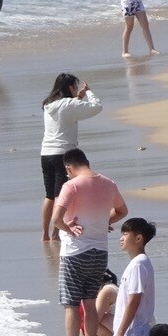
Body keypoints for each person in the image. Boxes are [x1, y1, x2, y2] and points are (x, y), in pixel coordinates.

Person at [52, 149, 128, 336]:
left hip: (75, 253)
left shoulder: (72, 185)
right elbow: (122, 210)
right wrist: (104, 222)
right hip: (99, 252)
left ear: (69, 167)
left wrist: (68, 228)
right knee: (90, 302)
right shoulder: (108, 183)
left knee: (71, 305)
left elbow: (56, 219)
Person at [40, 74, 103, 241]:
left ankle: (44, 234)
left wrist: (79, 98)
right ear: (70, 88)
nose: (77, 90)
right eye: (75, 87)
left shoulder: (49, 105)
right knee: (60, 194)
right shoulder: (69, 104)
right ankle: (56, 233)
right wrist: (88, 92)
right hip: (63, 153)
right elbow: (96, 107)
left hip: (46, 153)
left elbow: (70, 110)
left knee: (49, 195)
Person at [109, 217, 156, 336]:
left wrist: (120, 334)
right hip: (135, 335)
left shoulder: (138, 265)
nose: (121, 238)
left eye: (125, 233)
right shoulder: (139, 263)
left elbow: (134, 302)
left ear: (138, 238)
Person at [79, 270, 119, 336]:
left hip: (134, 333)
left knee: (91, 319)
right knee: (90, 319)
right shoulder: (109, 288)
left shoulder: (107, 291)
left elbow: (93, 320)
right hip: (136, 330)